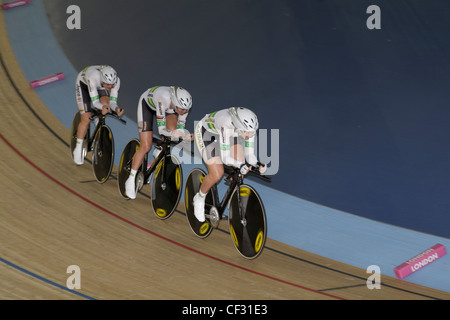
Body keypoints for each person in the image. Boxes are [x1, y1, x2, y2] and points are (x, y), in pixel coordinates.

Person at [193, 107, 267, 222]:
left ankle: (232, 202)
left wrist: (258, 164)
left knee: (240, 167)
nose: (250, 135)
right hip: (207, 133)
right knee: (217, 173)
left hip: (230, 135)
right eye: (247, 132)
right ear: (239, 126)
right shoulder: (225, 124)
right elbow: (226, 158)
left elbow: (250, 155)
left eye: (252, 132)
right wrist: (242, 166)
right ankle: (199, 197)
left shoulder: (248, 129)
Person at [125, 86, 194, 199]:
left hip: (168, 110)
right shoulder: (163, 99)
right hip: (147, 106)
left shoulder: (183, 108)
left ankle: (159, 150)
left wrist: (184, 135)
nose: (184, 112)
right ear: (176, 103)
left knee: (174, 134)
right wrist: (173, 134)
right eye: (182, 109)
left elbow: (180, 130)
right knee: (146, 145)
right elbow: (161, 130)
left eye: (187, 110)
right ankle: (131, 178)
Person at [72, 65, 124, 165]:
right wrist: (102, 108)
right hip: (83, 84)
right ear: (103, 80)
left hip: (99, 86)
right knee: (86, 118)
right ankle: (78, 148)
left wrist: (117, 109)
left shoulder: (116, 81)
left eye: (112, 85)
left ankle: (98, 119)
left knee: (106, 103)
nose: (110, 87)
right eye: (108, 85)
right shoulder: (93, 77)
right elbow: (95, 102)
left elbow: (113, 102)